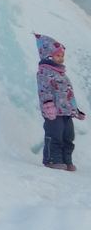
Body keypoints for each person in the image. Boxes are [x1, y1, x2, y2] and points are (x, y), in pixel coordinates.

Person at [35, 34, 85, 170]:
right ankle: (52, 159)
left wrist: (75, 109)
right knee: (54, 134)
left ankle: (66, 160)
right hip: (54, 111)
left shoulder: (61, 73)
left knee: (68, 136)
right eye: (58, 56)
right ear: (49, 56)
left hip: (66, 111)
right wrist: (48, 105)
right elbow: (44, 90)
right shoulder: (44, 72)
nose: (61, 58)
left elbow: (68, 94)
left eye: (62, 56)